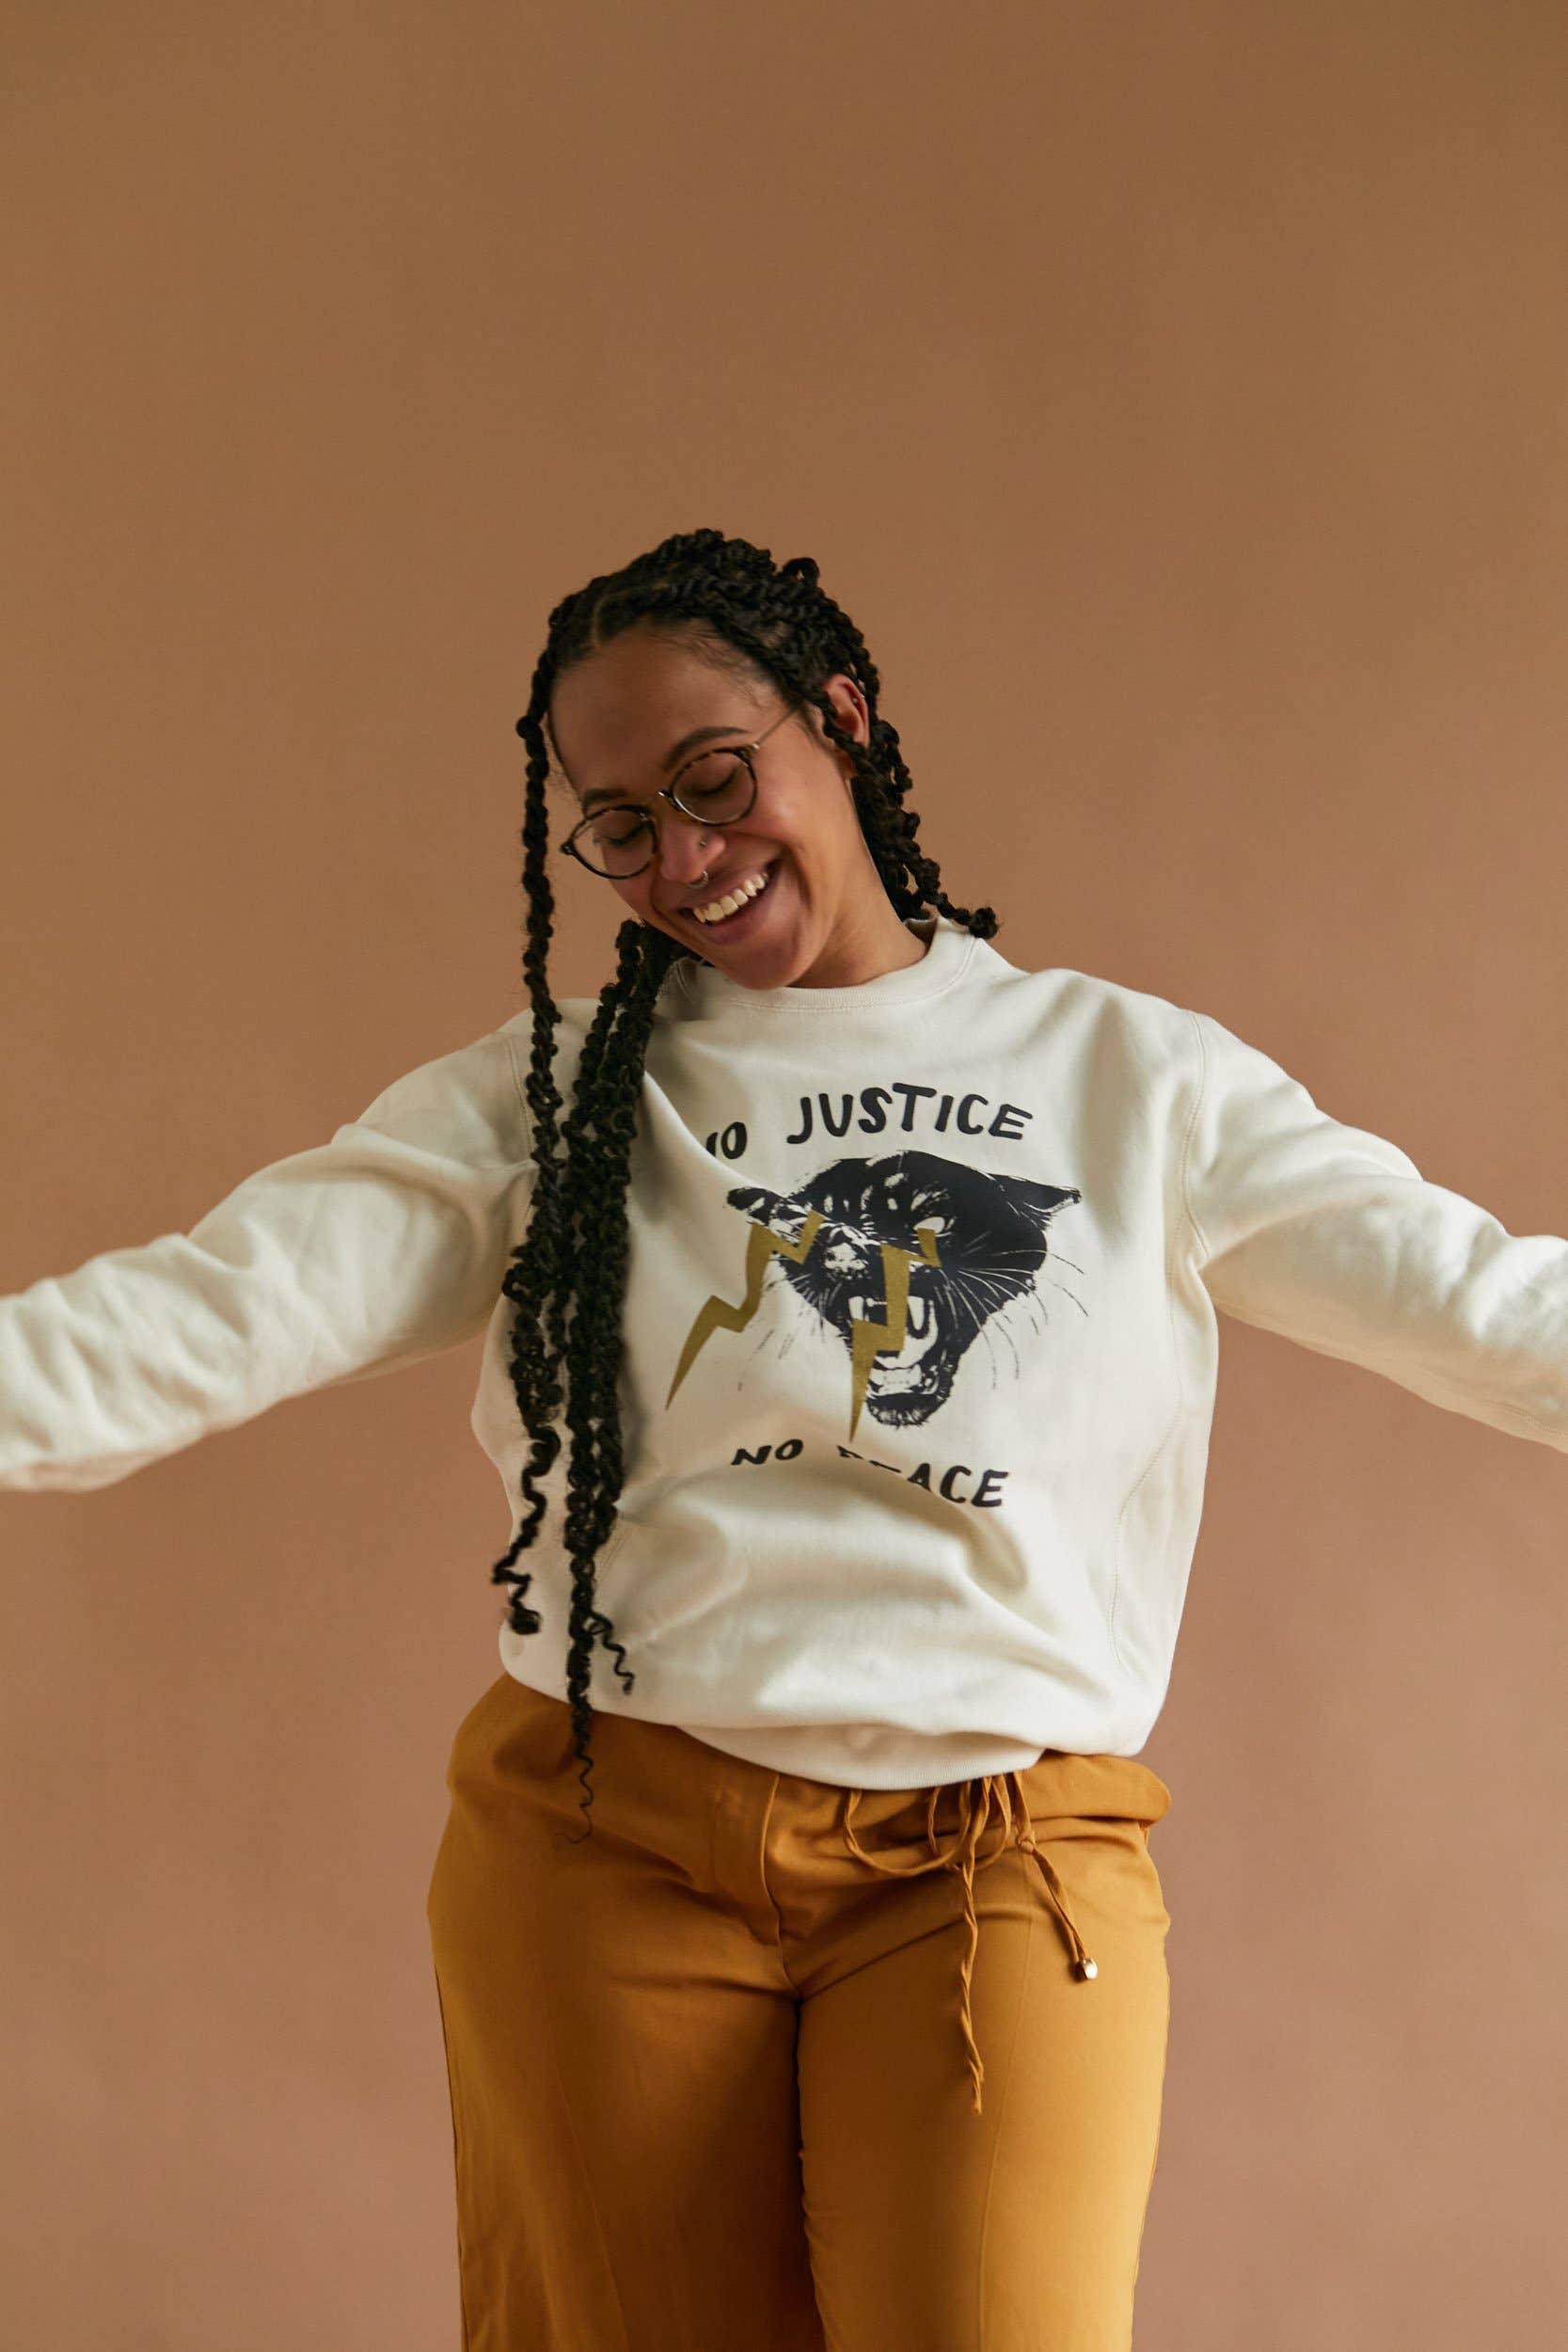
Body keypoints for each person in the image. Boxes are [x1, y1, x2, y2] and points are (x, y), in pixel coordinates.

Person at [3, 527, 1565, 2352]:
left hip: (992, 1855)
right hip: (605, 1851)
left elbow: (1480, 1299)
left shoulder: (1134, 1078)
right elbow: (212, 1310)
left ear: (841, 718)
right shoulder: (563, 1097)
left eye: (713, 779)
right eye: (619, 823)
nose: (683, 857)